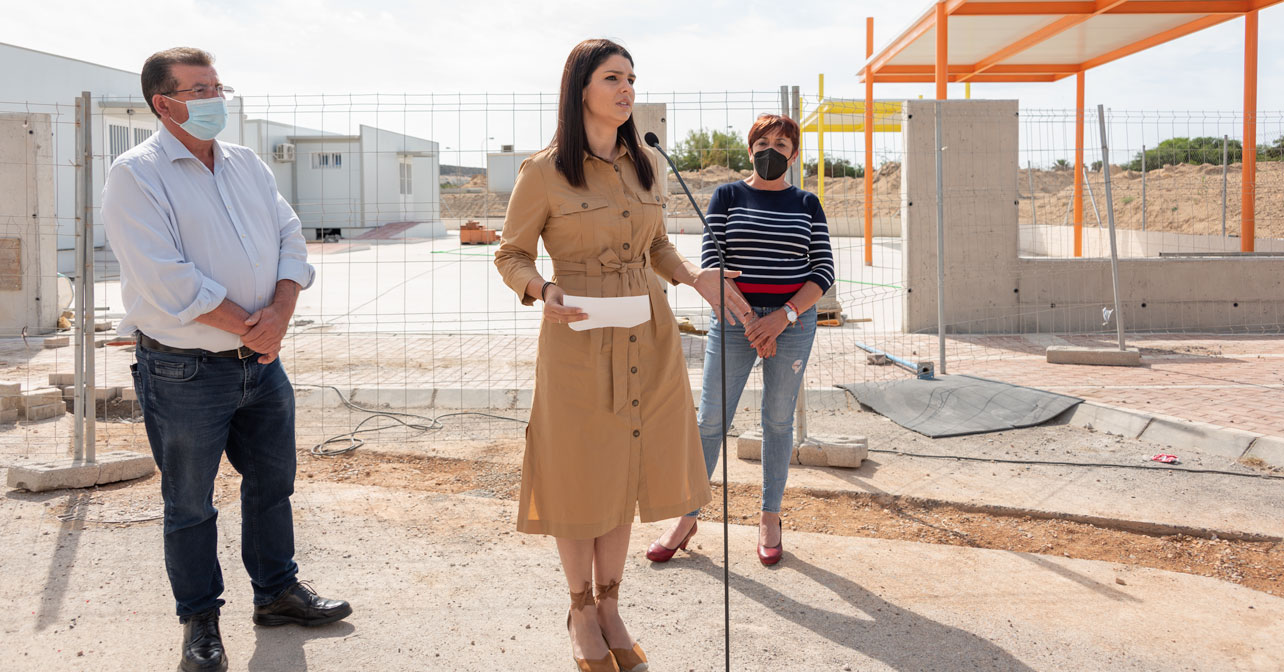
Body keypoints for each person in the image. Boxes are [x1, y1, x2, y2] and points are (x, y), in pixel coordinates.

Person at [494, 39, 750, 672]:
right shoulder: (544, 171)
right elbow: (511, 254)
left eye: (632, 78)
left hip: (648, 331)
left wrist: (693, 277)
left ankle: (611, 606)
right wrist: (541, 288)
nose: (627, 88)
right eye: (613, 77)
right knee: (581, 474)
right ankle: (580, 610)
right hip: (578, 333)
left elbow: (657, 246)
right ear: (582, 87)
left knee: (626, 472)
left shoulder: (644, 165)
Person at [102, 47, 351, 672]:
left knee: (272, 485)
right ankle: (201, 622)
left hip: (260, 365)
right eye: (201, 89)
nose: (217, 99)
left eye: (218, 86)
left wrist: (280, 314)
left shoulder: (247, 165)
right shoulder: (137, 175)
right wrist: (256, 326)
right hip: (183, 369)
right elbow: (165, 280)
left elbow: (291, 238)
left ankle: (276, 593)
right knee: (190, 503)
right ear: (165, 103)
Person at [646, 113, 833, 567]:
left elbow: (822, 272)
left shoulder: (807, 203)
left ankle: (770, 518)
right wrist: (752, 320)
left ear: (794, 153)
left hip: (792, 325)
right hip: (734, 320)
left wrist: (782, 319)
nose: (773, 150)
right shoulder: (727, 195)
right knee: (711, 419)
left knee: (776, 420)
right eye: (764, 142)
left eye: (784, 144)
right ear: (750, 148)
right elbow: (713, 260)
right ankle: (687, 516)